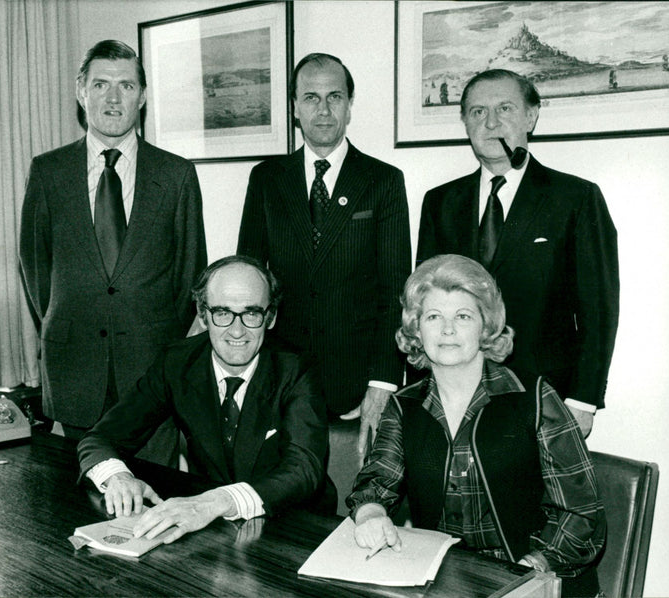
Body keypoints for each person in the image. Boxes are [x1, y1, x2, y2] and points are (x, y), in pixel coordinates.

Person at [347, 255, 606, 598]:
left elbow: (582, 514)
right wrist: (370, 514)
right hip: (446, 581)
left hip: (536, 578)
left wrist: (530, 570)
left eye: (463, 316)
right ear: (416, 329)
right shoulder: (403, 406)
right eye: (434, 316)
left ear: (486, 327)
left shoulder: (536, 398)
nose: (447, 329)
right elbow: (375, 485)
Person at [19, 41, 207, 455]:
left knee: (155, 499)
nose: (113, 97)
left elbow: (191, 276)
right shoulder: (47, 172)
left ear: (142, 97)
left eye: (126, 85)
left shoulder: (176, 175)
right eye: (101, 84)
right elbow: (35, 269)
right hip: (73, 370)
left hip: (151, 374)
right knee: (76, 502)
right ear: (80, 92)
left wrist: (156, 341)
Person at [416, 69, 619, 437]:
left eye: (504, 109)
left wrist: (583, 402)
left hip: (544, 401)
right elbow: (423, 305)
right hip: (455, 396)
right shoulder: (440, 202)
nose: (490, 122)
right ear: (465, 122)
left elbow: (599, 309)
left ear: (531, 115)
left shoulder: (575, 198)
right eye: (477, 112)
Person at [77, 256, 331, 543]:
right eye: (222, 313)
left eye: (252, 313)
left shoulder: (297, 368)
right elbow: (100, 437)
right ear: (202, 313)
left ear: (270, 317)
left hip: (292, 528)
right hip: (213, 532)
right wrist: (118, 477)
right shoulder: (177, 362)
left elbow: (304, 470)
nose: (237, 331)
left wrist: (216, 501)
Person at [237, 53, 411, 469]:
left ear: (350, 104)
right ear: (295, 107)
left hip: (354, 383)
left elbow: (395, 289)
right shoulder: (267, 179)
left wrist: (383, 382)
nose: (324, 109)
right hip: (279, 378)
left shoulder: (382, 180)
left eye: (335, 96)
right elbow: (248, 281)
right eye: (311, 97)